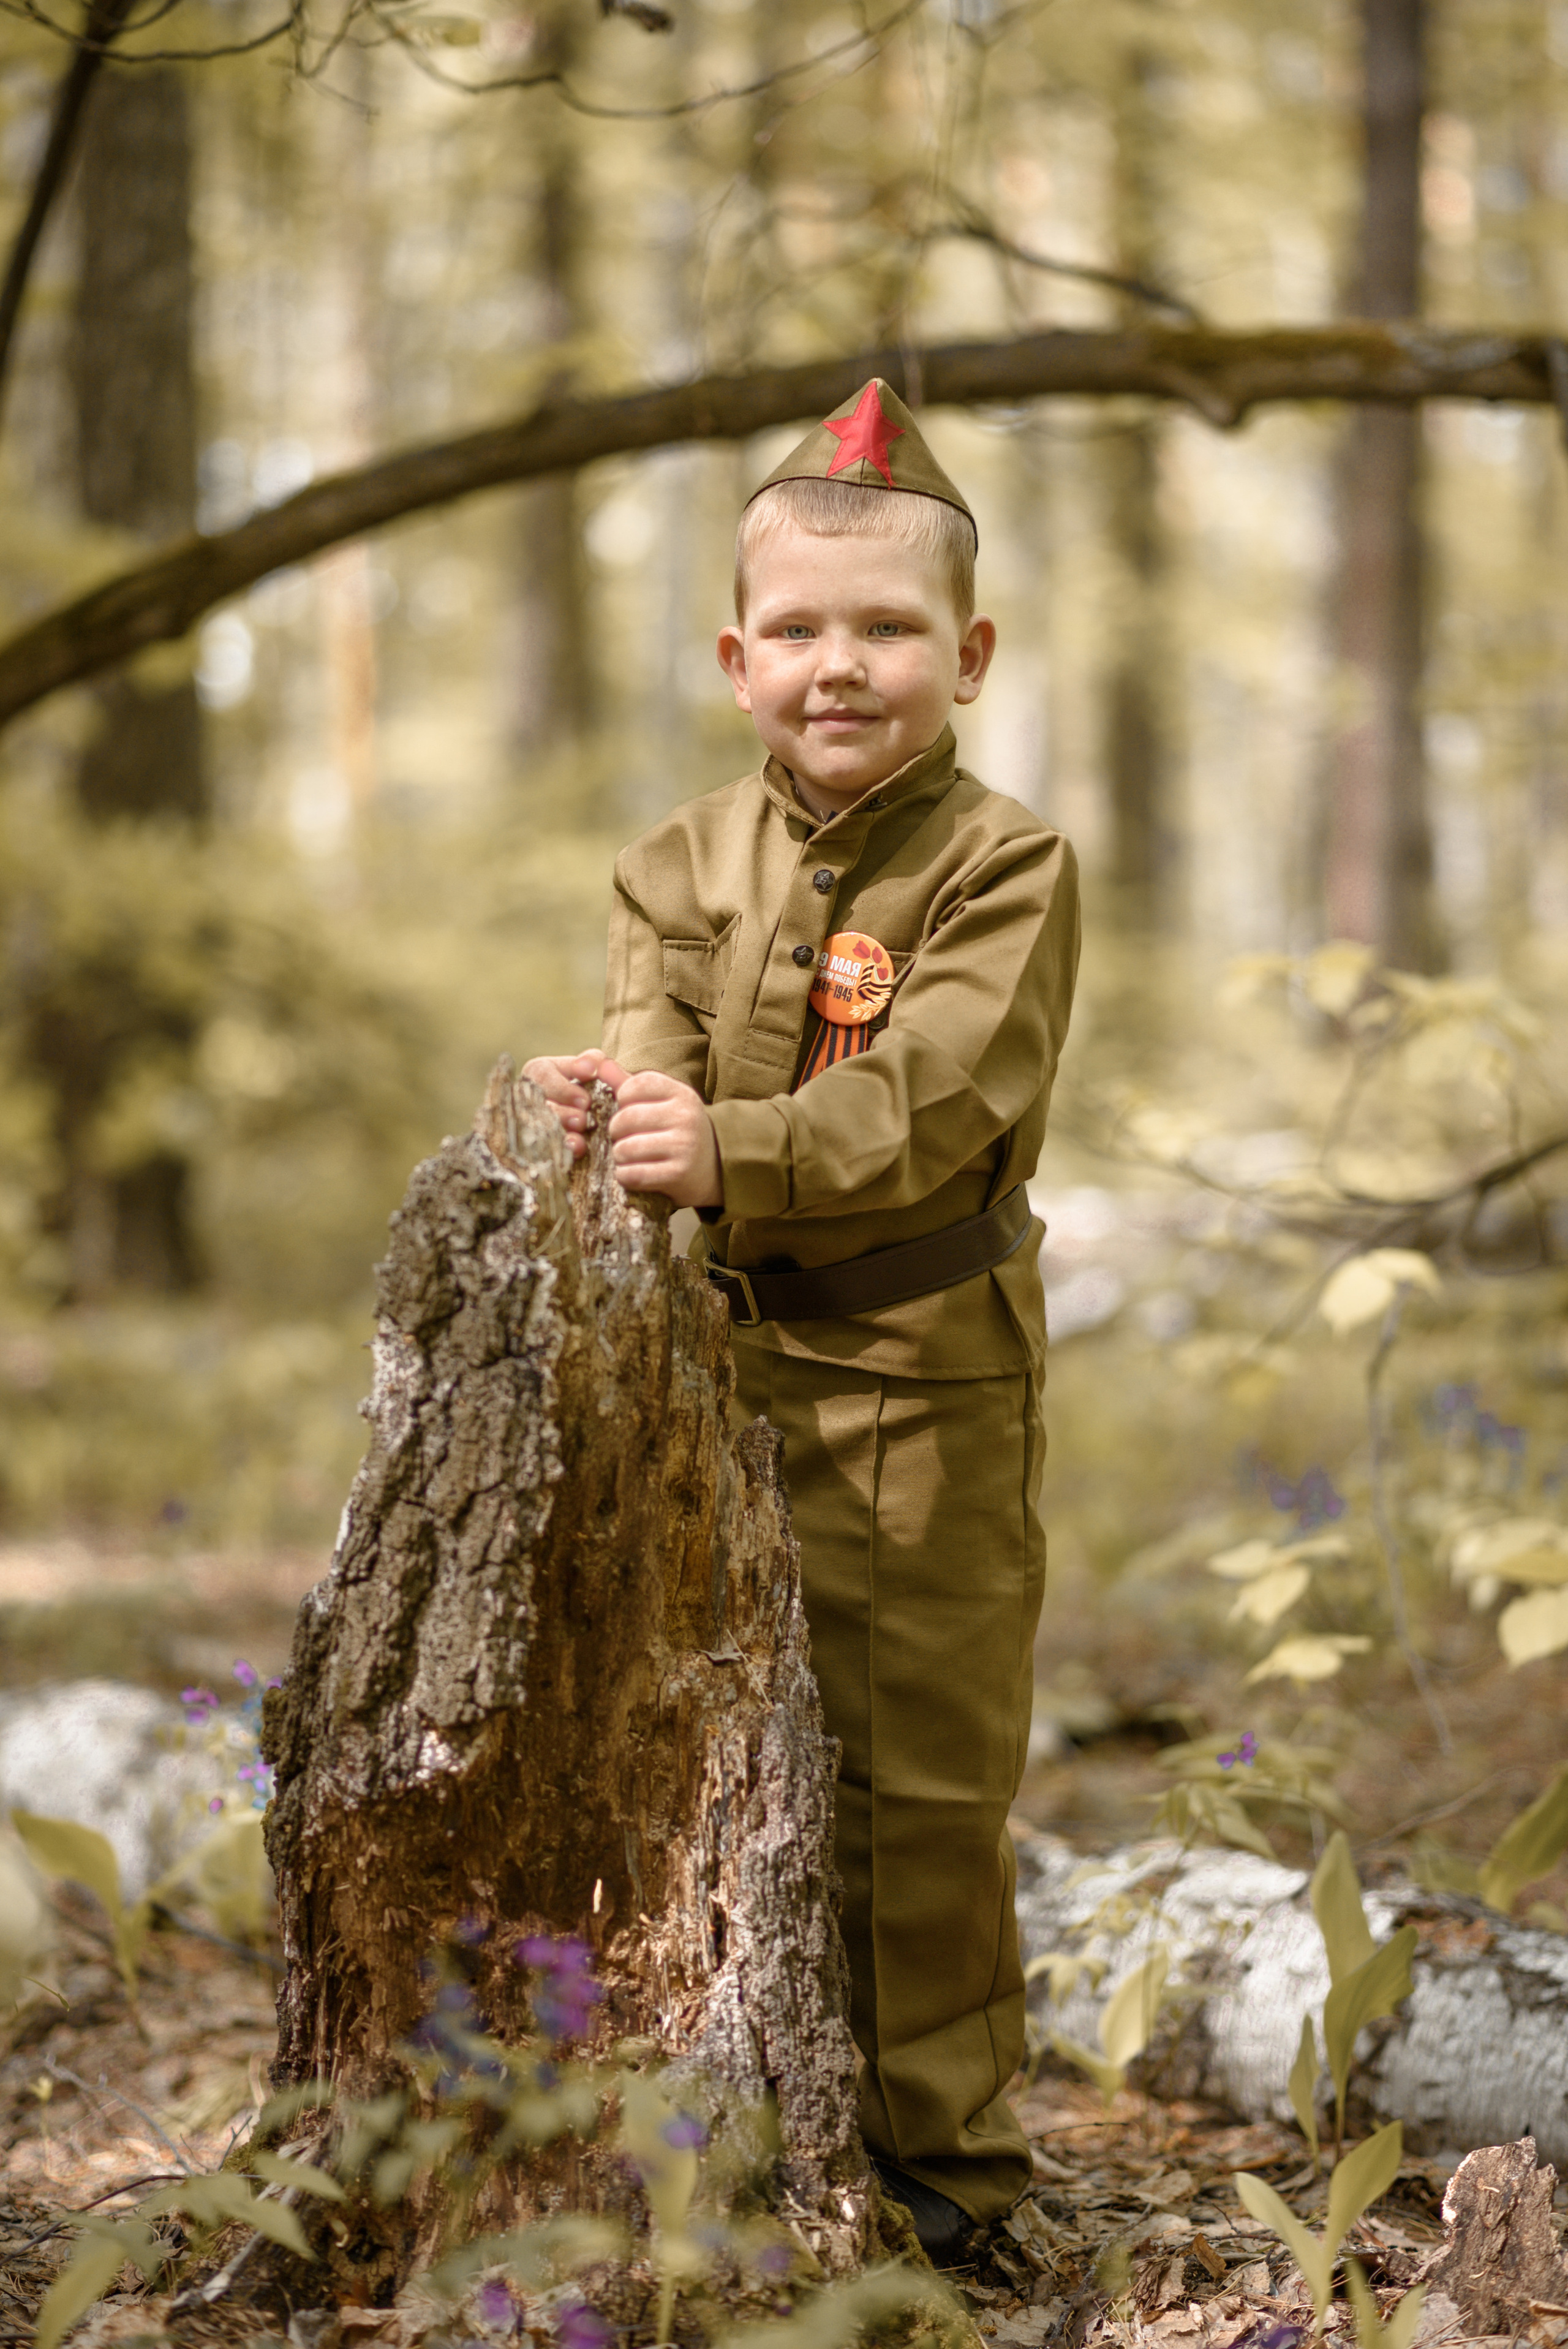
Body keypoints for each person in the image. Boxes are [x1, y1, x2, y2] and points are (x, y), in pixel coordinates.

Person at [525, 379, 1080, 2264]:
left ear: (971, 652)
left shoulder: (1004, 868)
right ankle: (724, 2131)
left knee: (912, 1792)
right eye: (802, 631)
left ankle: (948, 2185)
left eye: (891, 628)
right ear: (735, 653)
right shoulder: (676, 863)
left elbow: (931, 1096)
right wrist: (606, 1111)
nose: (843, 668)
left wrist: (721, 1142)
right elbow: (651, 1056)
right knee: (711, 1773)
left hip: (919, 1392)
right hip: (716, 1386)